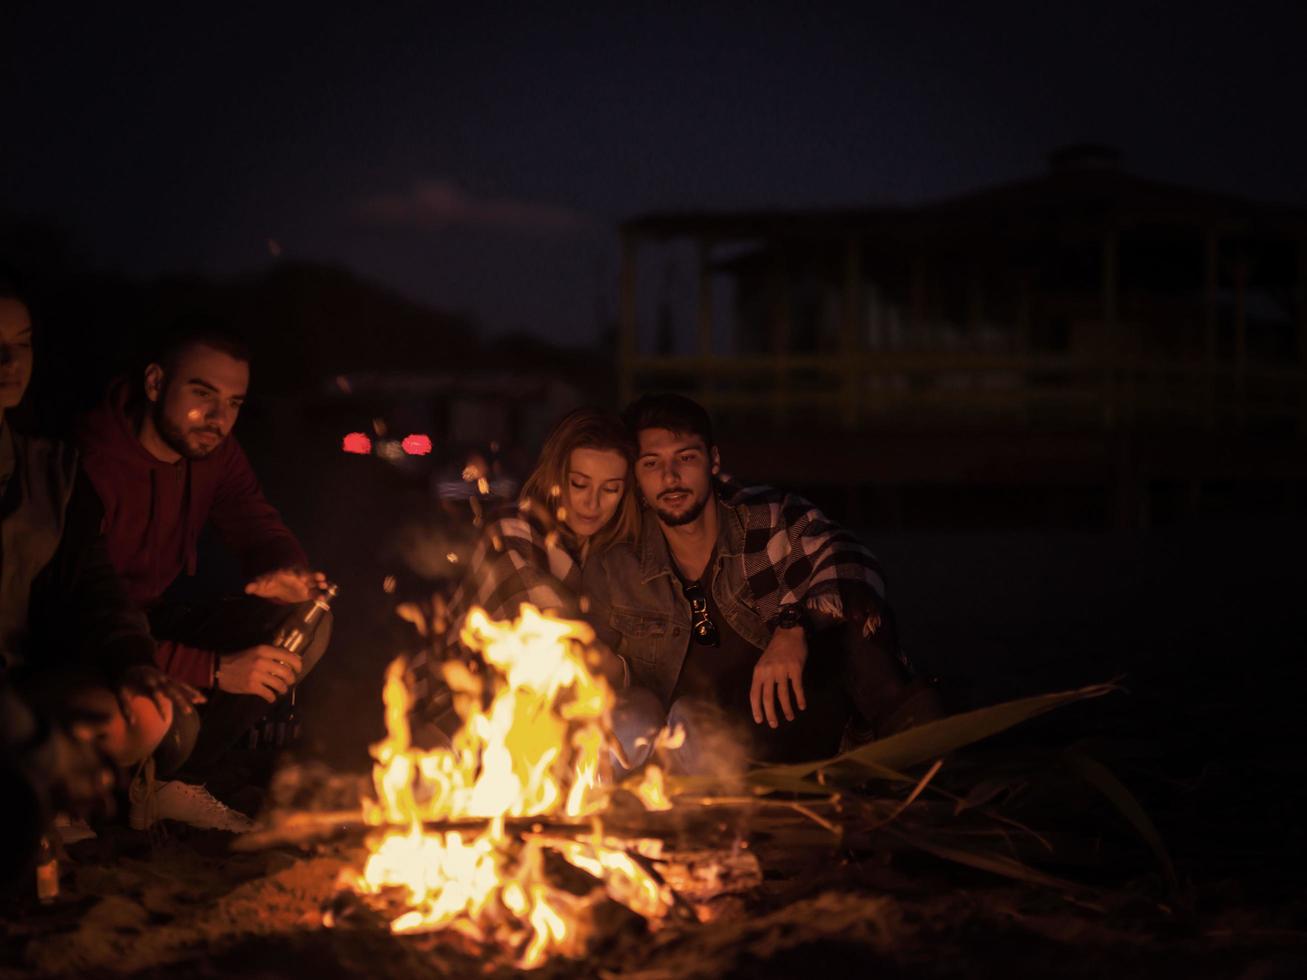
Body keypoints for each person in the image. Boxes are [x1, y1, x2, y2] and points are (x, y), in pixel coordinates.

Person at [585, 393, 942, 775]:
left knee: (854, 630)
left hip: (789, 726)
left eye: (685, 458)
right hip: (688, 747)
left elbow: (854, 566)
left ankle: (914, 751)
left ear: (714, 461)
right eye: (652, 464)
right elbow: (590, 668)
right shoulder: (618, 563)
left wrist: (793, 628)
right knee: (648, 714)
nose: (670, 478)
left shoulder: (765, 518)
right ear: (636, 479)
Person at [78, 326, 332, 829]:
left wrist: (286, 572)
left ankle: (176, 783)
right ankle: (103, 788)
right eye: (202, 394)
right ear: (155, 383)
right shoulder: (90, 459)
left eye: (234, 402)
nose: (219, 419)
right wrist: (213, 669)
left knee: (307, 620)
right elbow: (83, 616)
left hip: (148, 622)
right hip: (85, 640)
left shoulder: (215, 452)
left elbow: (254, 521)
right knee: (173, 724)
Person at [0, 279, 199, 872]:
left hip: (20, 682)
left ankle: (41, 794)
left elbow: (94, 582)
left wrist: (134, 658)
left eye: (23, 343)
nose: (9, 363)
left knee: (150, 711)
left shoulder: (50, 469)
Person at [409, 408, 638, 725]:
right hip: (450, 713)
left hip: (543, 714)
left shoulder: (616, 552)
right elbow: (558, 648)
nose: (592, 502)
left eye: (610, 489)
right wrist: (618, 665)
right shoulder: (512, 530)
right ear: (557, 478)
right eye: (580, 484)